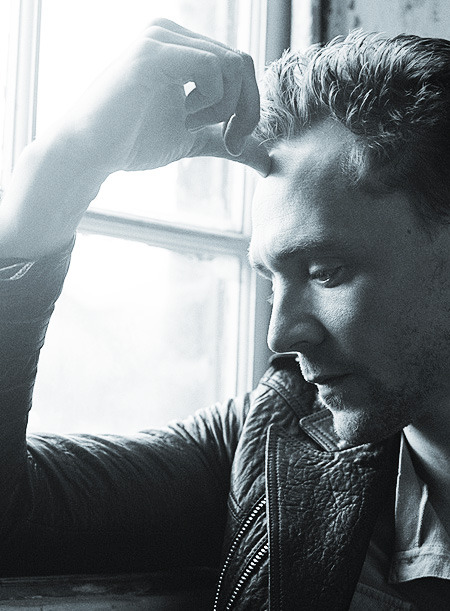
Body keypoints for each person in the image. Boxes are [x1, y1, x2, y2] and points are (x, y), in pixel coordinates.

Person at [0, 17, 449, 610]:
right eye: (271, 281)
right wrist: (62, 166)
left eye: (325, 271)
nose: (281, 333)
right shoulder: (272, 446)